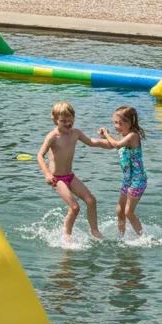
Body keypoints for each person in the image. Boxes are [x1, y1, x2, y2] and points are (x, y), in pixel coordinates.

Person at [36, 100, 102, 241]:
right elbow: (40, 155)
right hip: (56, 179)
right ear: (55, 120)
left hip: (70, 176)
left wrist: (113, 144)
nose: (68, 123)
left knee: (91, 201)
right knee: (74, 207)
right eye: (63, 121)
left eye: (70, 119)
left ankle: (95, 231)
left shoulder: (76, 133)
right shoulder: (53, 136)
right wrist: (47, 174)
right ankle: (66, 235)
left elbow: (92, 142)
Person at [96, 106, 147, 237]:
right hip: (127, 180)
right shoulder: (123, 136)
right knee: (120, 210)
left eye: (120, 123)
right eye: (115, 122)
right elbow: (115, 144)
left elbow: (117, 145)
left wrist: (107, 134)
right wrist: (102, 138)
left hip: (137, 180)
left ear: (130, 122)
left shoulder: (133, 136)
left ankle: (144, 238)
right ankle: (121, 237)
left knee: (128, 212)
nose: (116, 126)